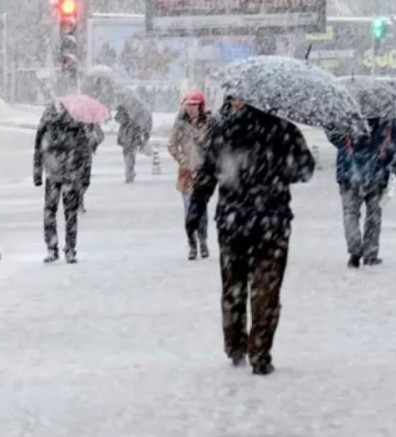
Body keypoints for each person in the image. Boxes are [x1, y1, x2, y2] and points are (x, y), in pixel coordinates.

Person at [187, 96, 315, 376]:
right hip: (272, 222)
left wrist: (196, 208)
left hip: (233, 222)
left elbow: (208, 172)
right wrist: (280, 169)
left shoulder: (228, 130)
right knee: (267, 290)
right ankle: (260, 353)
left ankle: (234, 345)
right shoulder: (285, 130)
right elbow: (305, 171)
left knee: (233, 286)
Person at [327, 117, 396, 267]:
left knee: (350, 213)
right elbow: (393, 145)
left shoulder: (346, 119)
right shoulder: (388, 120)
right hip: (377, 174)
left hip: (350, 173)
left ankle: (355, 250)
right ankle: (371, 255)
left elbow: (335, 139)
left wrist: (330, 123)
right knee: (374, 216)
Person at [34, 102, 93, 264]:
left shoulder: (45, 124)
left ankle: (52, 248)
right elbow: (85, 153)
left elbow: (38, 150)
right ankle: (70, 249)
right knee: (70, 213)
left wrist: (38, 173)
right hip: (70, 174)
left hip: (52, 174)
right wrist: (85, 176)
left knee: (50, 211)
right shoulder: (75, 125)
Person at [168, 90, 213, 260]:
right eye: (189, 104)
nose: (192, 108)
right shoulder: (180, 124)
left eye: (195, 104)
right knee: (189, 211)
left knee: (202, 211)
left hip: (203, 173)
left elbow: (215, 144)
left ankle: (203, 242)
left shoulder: (208, 123)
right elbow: (171, 145)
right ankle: (192, 243)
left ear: (200, 105)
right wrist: (182, 159)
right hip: (186, 174)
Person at [115, 105, 149, 183]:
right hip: (126, 145)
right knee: (129, 161)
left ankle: (129, 176)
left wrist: (136, 142)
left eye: (121, 119)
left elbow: (137, 134)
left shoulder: (132, 124)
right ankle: (130, 173)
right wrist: (120, 141)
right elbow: (120, 133)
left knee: (129, 161)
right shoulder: (123, 125)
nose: (119, 121)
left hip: (131, 145)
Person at [78, 123, 105, 213]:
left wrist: (96, 126)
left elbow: (101, 137)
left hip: (87, 161)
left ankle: (78, 198)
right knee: (79, 182)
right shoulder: (73, 130)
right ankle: (79, 202)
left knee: (86, 182)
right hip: (76, 161)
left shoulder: (91, 133)